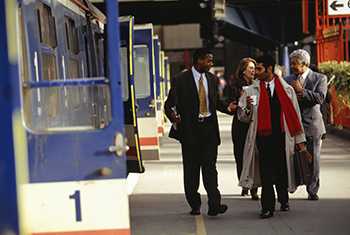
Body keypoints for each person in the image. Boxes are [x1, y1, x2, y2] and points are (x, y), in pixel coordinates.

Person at [164, 48, 235, 216]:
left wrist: (229, 108)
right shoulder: (181, 79)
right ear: (198, 61)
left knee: (210, 168)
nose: (211, 64)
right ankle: (194, 204)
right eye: (208, 61)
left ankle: (214, 204)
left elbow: (215, 102)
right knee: (192, 170)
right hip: (190, 131)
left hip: (209, 130)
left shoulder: (211, 79)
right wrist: (173, 116)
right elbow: (169, 104)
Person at [238, 55, 306, 219]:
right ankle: (267, 207)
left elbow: (295, 116)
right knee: (266, 172)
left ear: (269, 69)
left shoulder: (287, 90)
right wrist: (247, 107)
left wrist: (300, 142)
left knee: (282, 171)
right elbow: (243, 117)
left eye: (259, 69)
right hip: (262, 138)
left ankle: (283, 199)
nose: (256, 72)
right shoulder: (251, 90)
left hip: (282, 138)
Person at [285, 49, 327, 200]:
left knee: (313, 159)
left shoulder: (319, 78)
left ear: (305, 64)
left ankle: (312, 190)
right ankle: (294, 184)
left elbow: (321, 98)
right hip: (293, 125)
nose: (292, 66)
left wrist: (302, 92)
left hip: (313, 126)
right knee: (293, 157)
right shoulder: (287, 79)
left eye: (295, 63)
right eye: (292, 63)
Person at [225, 57, 259, 200]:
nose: (253, 71)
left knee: (254, 155)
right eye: (250, 68)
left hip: (254, 123)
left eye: (254, 68)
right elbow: (228, 103)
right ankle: (244, 183)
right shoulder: (234, 86)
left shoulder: (258, 85)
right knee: (240, 155)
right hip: (240, 124)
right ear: (243, 70)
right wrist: (239, 101)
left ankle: (254, 187)